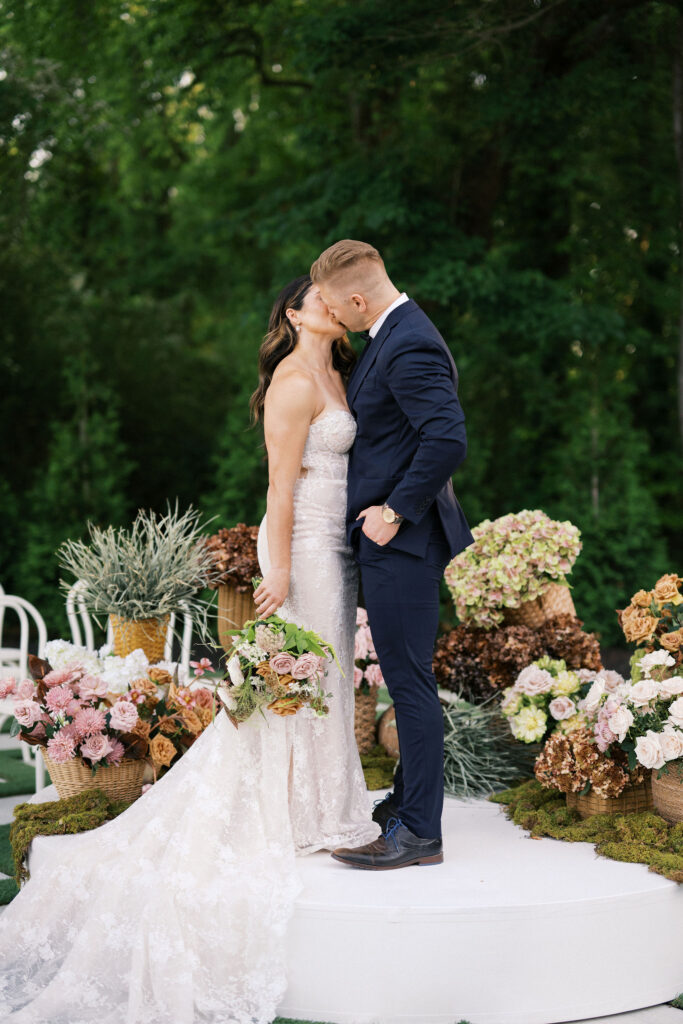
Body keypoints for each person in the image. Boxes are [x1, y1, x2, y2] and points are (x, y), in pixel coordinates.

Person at [0, 274, 378, 1024]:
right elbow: (277, 486)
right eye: (322, 298)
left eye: (341, 297)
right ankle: (304, 814)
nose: (336, 307)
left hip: (339, 546)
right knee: (306, 677)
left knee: (325, 680)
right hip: (302, 550)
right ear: (296, 313)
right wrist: (275, 569)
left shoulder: (342, 370)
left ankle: (328, 804)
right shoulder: (293, 381)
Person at [311, 239, 474, 871]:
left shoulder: (409, 341)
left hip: (401, 540)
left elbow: (447, 438)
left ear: (357, 297)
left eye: (331, 302)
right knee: (407, 681)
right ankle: (405, 804)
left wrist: (394, 511)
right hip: (389, 541)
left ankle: (420, 834)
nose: (331, 313)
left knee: (409, 684)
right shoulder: (391, 332)